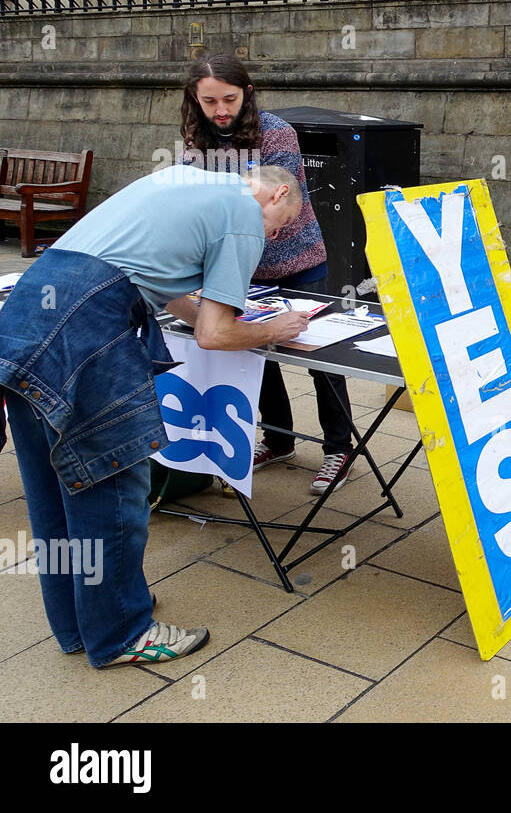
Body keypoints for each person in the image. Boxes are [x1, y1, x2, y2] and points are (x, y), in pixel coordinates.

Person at [0, 164, 310, 668]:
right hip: (88, 327)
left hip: (28, 312)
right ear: (276, 193)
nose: (270, 237)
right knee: (113, 479)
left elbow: (159, 282)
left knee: (53, 483)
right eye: (278, 226)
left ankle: (82, 623)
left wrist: (224, 317)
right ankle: (123, 632)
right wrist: (274, 328)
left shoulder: (183, 179)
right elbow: (215, 335)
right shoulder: (243, 216)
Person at [180, 53, 357, 495]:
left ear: (248, 93)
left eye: (229, 99)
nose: (220, 110)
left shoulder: (276, 132)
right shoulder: (195, 138)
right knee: (255, 349)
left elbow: (261, 200)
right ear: (195, 100)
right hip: (238, 266)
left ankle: (340, 447)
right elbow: (190, 195)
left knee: (320, 357)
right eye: (209, 102)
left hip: (297, 260)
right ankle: (279, 440)